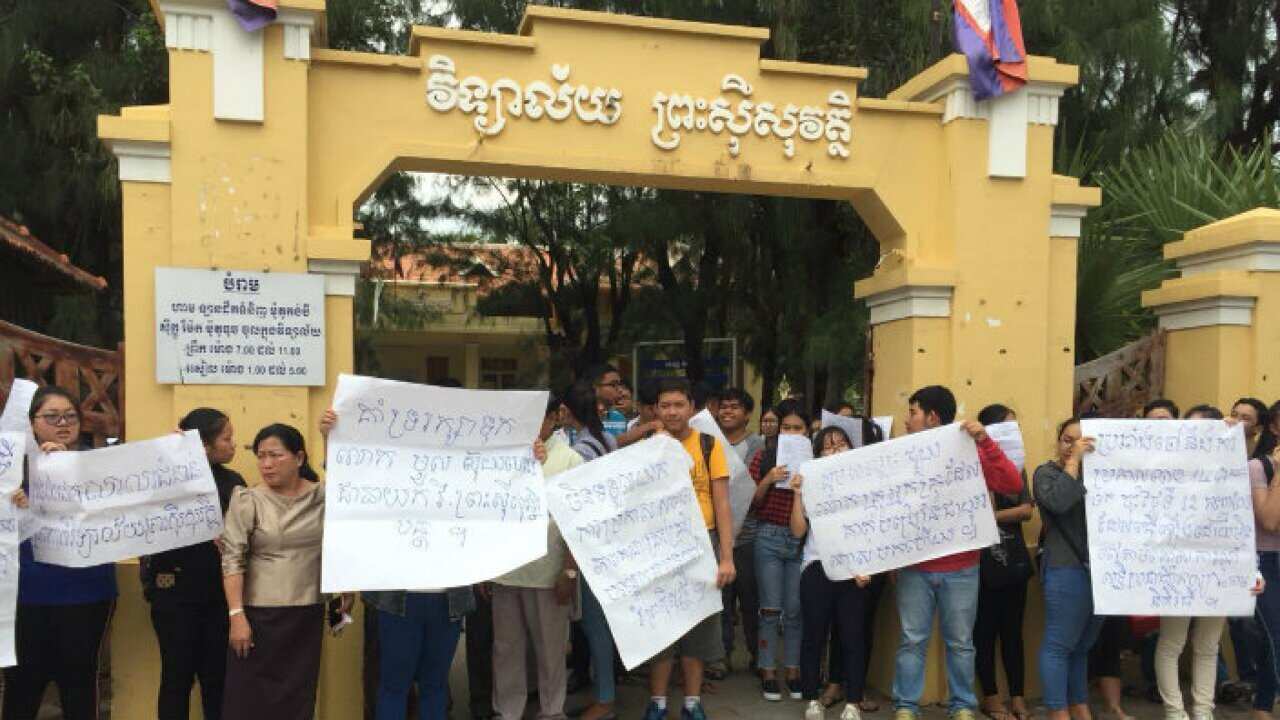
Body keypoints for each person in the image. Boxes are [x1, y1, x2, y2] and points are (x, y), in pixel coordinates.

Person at [318, 404, 478, 720]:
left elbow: (505, 489)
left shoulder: (464, 480)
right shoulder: (386, 478)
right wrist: (329, 437)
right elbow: (345, 483)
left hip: (449, 600)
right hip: (398, 600)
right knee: (395, 685)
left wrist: (530, 460)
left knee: (434, 686)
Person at [891, 385, 1021, 720]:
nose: (907, 421)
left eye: (913, 412)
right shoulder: (900, 454)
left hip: (962, 566)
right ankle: (906, 706)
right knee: (911, 640)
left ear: (932, 416)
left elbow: (1011, 484)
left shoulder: (971, 449)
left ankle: (962, 705)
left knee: (961, 642)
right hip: (915, 566)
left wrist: (985, 442)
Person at [221, 423, 353, 720]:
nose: (266, 464)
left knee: (298, 698)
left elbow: (342, 543)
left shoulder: (323, 498)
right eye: (261, 456)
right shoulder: (247, 500)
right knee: (249, 701)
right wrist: (236, 616)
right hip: (258, 617)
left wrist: (331, 436)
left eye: (275, 455)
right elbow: (232, 559)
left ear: (299, 458)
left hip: (307, 613)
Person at [3, 385, 118, 720]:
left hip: (87, 593)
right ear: (32, 423)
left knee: (80, 682)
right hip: (25, 596)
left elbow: (129, 502)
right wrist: (16, 505)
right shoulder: (8, 469)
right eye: (51, 417)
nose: (62, 423)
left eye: (70, 416)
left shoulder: (101, 466)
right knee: (22, 684)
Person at [641, 378, 736, 720]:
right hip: (660, 548)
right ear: (656, 410)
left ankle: (692, 703)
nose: (671, 412)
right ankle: (658, 703)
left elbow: (723, 505)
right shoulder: (648, 446)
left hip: (703, 545)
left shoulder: (710, 445)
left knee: (698, 627)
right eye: (664, 406)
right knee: (662, 628)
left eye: (678, 405)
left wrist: (726, 556)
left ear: (692, 408)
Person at [142, 407, 246, 720]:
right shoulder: (162, 480)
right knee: (176, 679)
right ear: (204, 445)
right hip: (173, 597)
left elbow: (249, 531)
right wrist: (170, 460)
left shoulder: (233, 482)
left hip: (220, 597)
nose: (233, 444)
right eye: (226, 438)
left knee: (218, 680)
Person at [492, 394, 582, 720]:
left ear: (554, 417)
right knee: (506, 650)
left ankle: (552, 711)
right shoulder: (499, 457)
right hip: (506, 571)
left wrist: (569, 572)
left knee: (551, 650)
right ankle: (508, 712)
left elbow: (577, 522)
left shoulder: (570, 459)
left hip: (549, 573)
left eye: (538, 417)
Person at [793, 422, 884, 720]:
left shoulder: (865, 485)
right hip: (817, 566)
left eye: (840, 444)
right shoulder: (809, 481)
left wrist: (865, 566)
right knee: (814, 634)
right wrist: (796, 494)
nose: (834, 450)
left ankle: (853, 702)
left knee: (852, 635)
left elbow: (872, 528)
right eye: (827, 446)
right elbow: (797, 532)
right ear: (817, 453)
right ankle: (811, 699)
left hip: (855, 569)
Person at [1153, 403, 1232, 720]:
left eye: (1203, 429)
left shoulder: (1232, 464)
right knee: (1172, 641)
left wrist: (1231, 436)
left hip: (1220, 565)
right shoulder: (1168, 465)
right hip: (1177, 565)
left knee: (1208, 643)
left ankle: (1203, 711)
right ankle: (1175, 712)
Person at [1035, 417, 1102, 720]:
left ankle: (1079, 706)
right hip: (1066, 568)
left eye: (1080, 440)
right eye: (1066, 440)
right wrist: (1074, 462)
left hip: (1102, 572)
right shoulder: (1046, 473)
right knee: (1059, 644)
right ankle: (1057, 711)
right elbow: (1060, 502)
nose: (1072, 446)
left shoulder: (1105, 476)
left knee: (1082, 646)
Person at [563, 379, 622, 720]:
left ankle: (605, 700)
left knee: (595, 625)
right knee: (599, 625)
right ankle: (605, 694)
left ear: (567, 413)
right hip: (606, 541)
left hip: (589, 546)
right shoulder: (607, 440)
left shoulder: (581, 451)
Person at [973, 404, 1034, 720]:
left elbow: (1027, 510)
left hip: (1015, 560)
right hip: (982, 562)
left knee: (1013, 632)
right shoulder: (975, 464)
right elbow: (977, 510)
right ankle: (992, 697)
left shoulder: (1019, 468)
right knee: (983, 632)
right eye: (1007, 426)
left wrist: (993, 516)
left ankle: (1019, 696)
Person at [748, 398, 810, 700]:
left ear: (808, 430)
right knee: (770, 609)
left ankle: (793, 670)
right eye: (787, 427)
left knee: (795, 611)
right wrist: (768, 480)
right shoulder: (763, 456)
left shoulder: (816, 460)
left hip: (800, 539)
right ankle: (768, 670)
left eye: (799, 428)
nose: (792, 433)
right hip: (768, 537)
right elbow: (752, 504)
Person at [717, 387, 764, 673]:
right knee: (721, 602)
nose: (728, 412)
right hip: (718, 538)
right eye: (723, 406)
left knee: (750, 601)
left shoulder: (758, 445)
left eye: (735, 407)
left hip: (747, 536)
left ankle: (758, 656)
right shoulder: (710, 442)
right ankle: (721, 657)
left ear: (747, 414)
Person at [1249, 439, 1280, 720]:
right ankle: (1264, 706)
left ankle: (1263, 706)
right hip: (1267, 559)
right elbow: (1269, 521)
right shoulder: (1260, 468)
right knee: (1275, 635)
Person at [591, 365, 629, 439]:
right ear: (596, 387)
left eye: (619, 384)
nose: (620, 389)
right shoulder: (580, 418)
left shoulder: (619, 417)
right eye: (613, 384)